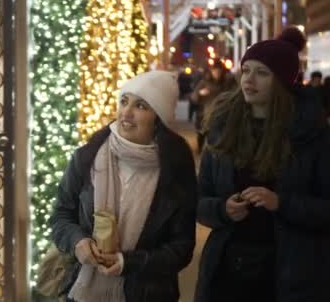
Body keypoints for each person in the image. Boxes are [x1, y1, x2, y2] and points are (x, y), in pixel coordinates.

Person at [195, 26, 330, 302]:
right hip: (227, 271)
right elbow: (199, 200)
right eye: (246, 70)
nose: (249, 79)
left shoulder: (313, 136)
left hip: (290, 274)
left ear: (282, 82)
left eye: (262, 73)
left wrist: (281, 202)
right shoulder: (222, 128)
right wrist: (223, 209)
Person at [51, 71, 197, 302]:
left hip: (146, 294)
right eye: (124, 102)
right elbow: (61, 216)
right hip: (84, 291)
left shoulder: (175, 170)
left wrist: (128, 263)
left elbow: (181, 248)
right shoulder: (86, 157)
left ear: (158, 119)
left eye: (140, 106)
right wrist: (77, 241)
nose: (126, 113)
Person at [190, 58, 235, 152]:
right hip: (207, 114)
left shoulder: (228, 82)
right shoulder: (205, 82)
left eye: (219, 71)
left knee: (218, 139)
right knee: (204, 136)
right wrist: (200, 93)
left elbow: (234, 94)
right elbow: (194, 97)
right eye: (215, 70)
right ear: (211, 71)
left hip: (223, 115)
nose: (217, 73)